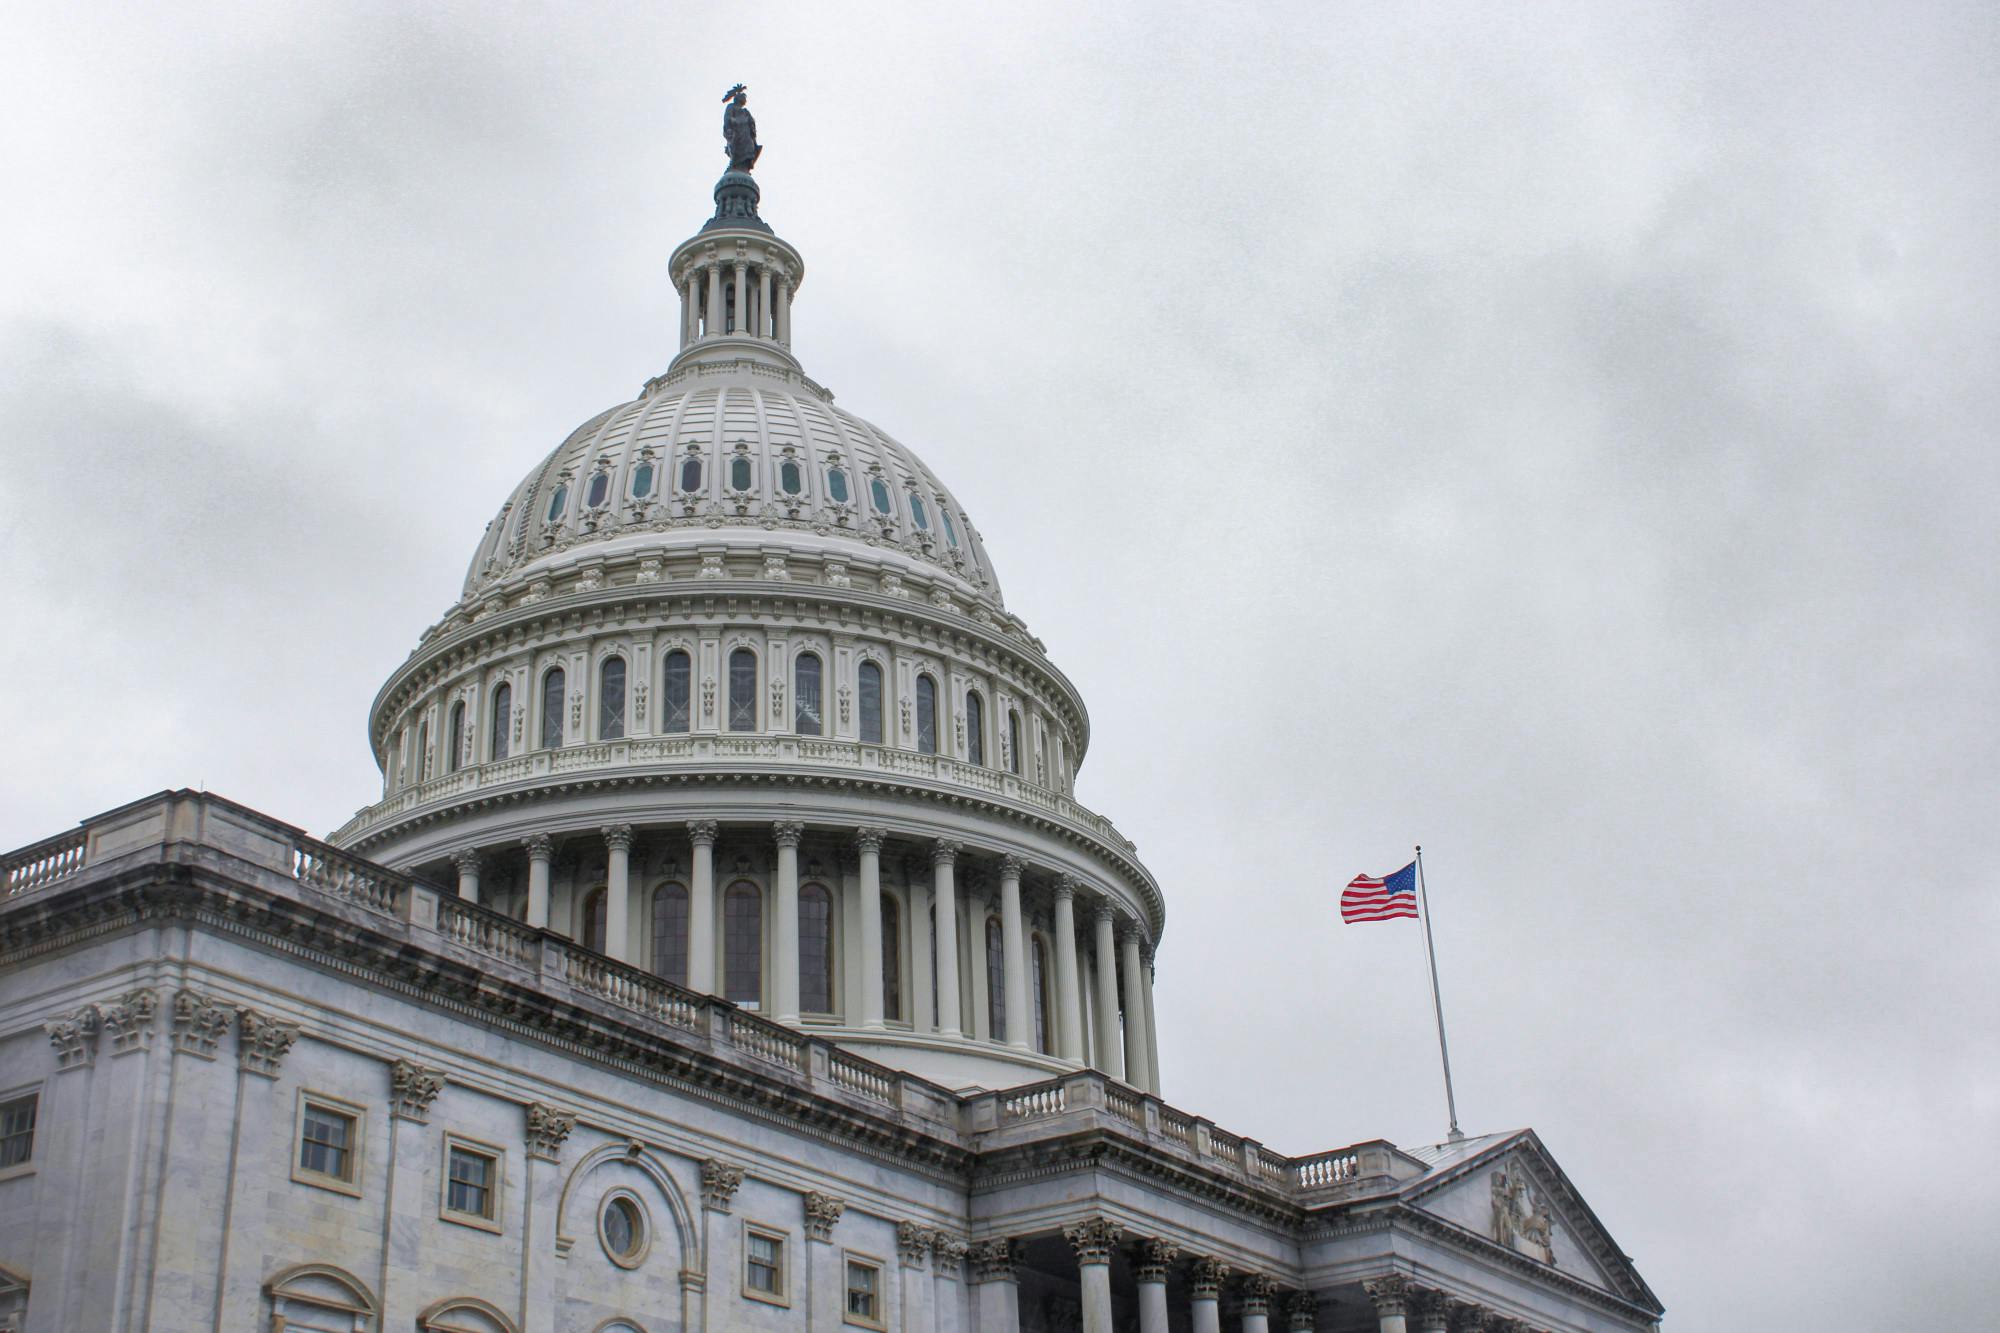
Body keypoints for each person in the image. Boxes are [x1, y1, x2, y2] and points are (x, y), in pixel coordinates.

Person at [722, 84, 761, 172]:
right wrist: (735, 122)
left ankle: (744, 167)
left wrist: (750, 122)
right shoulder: (731, 107)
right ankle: (734, 164)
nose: (745, 100)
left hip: (746, 133)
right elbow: (727, 119)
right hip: (736, 132)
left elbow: (751, 123)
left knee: (749, 147)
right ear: (738, 98)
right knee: (736, 148)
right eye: (743, 97)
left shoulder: (745, 111)